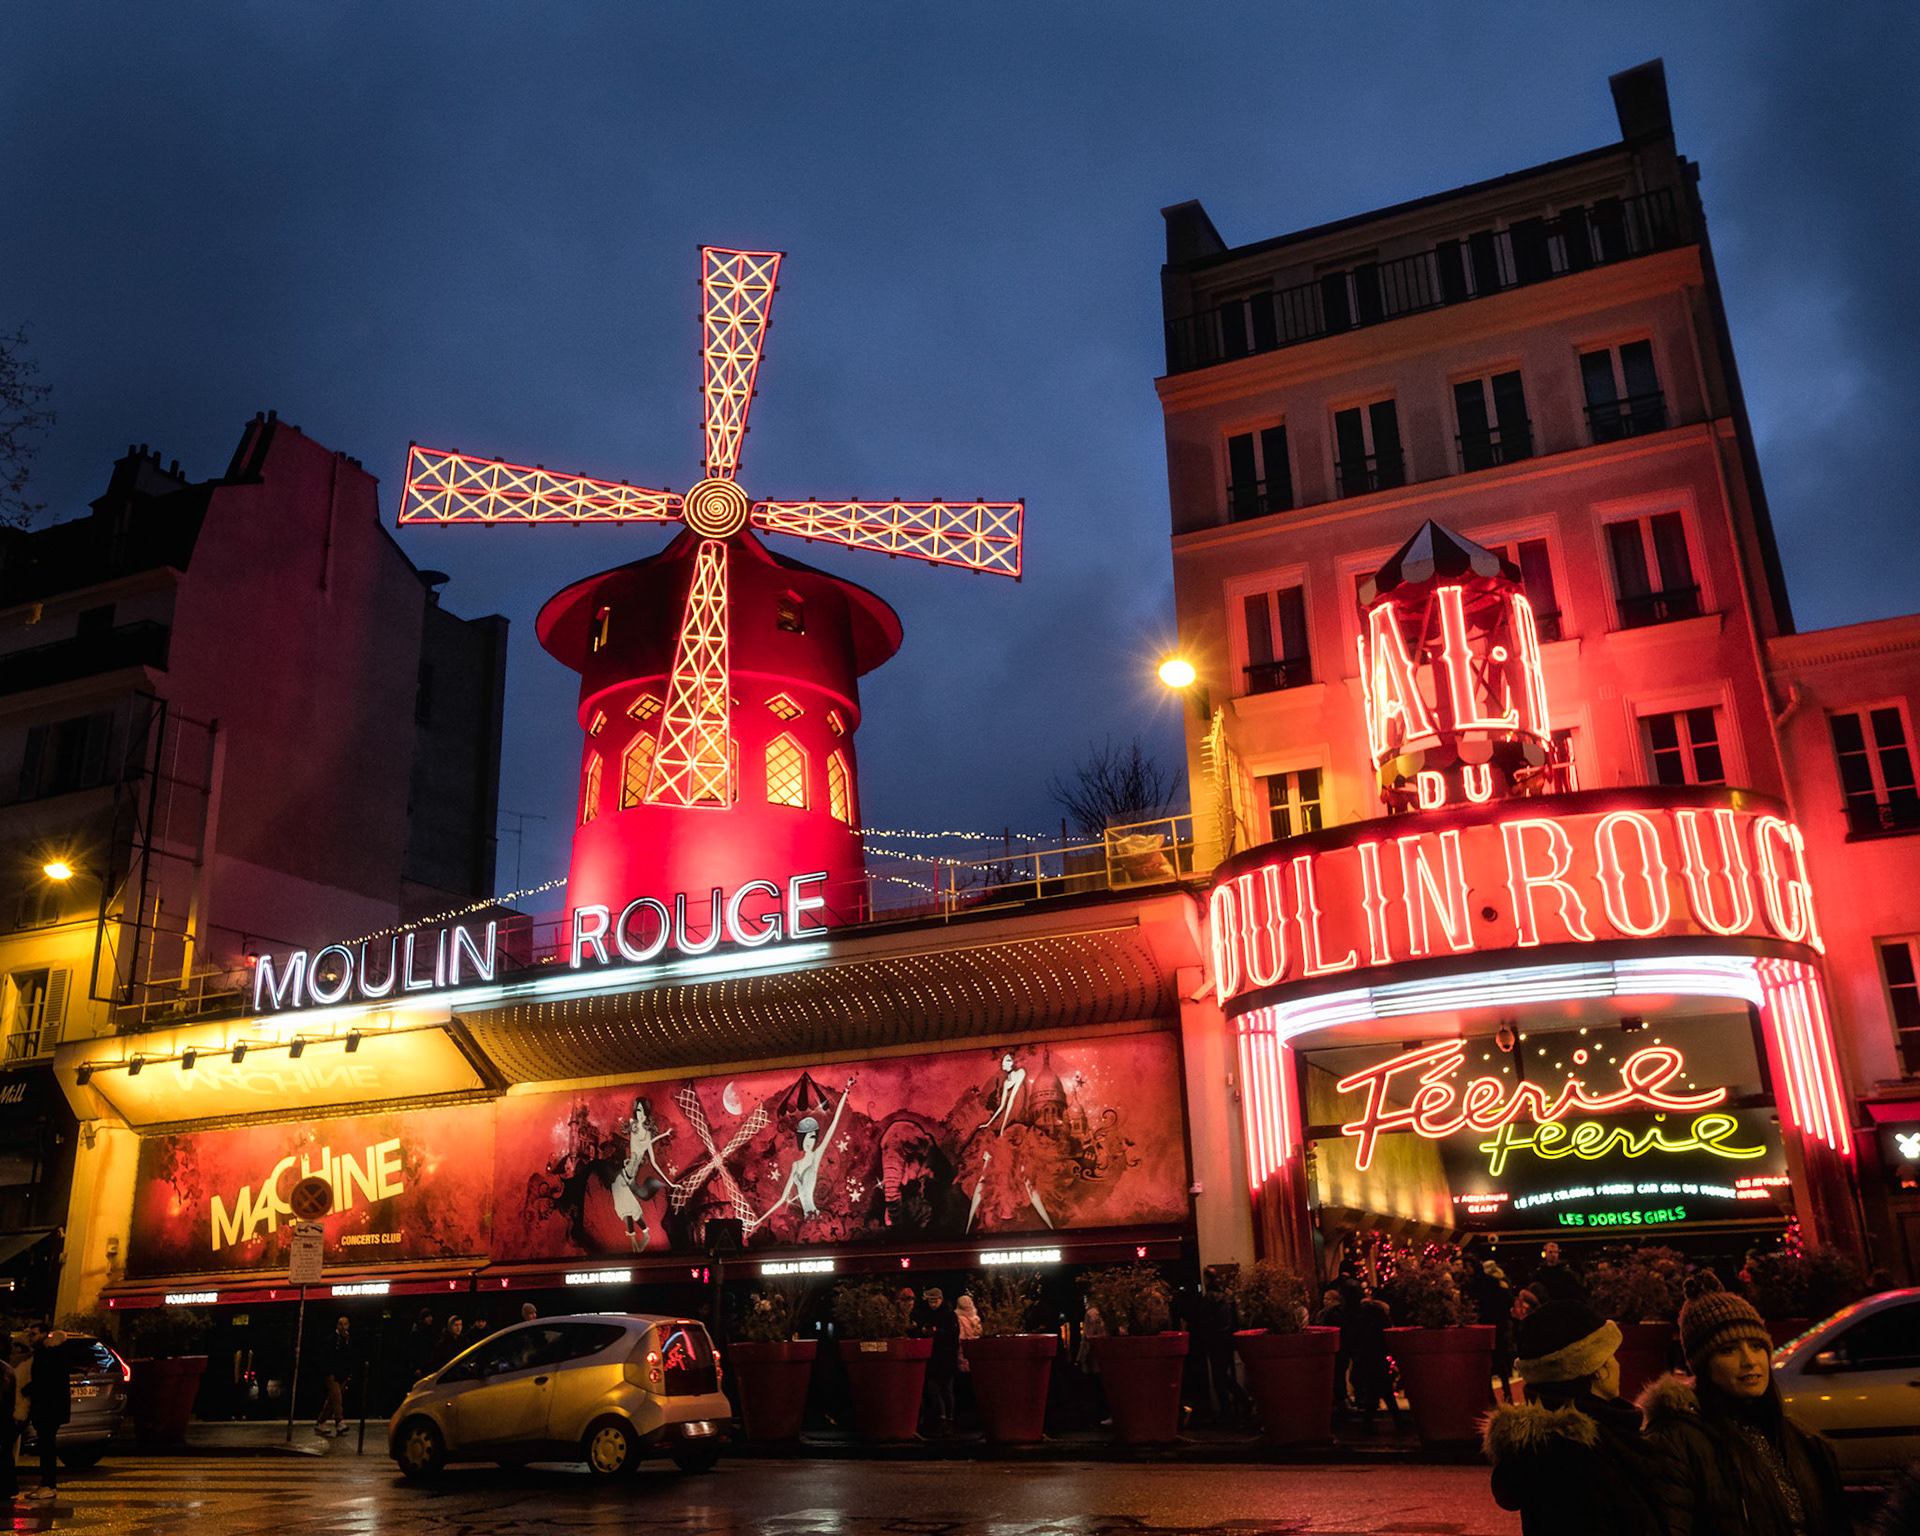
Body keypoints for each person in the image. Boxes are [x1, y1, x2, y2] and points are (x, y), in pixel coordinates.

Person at [1639, 1273, 1852, 1536]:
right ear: (1703, 1365)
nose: (1749, 1360)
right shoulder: (1675, 1443)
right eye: (1728, 1350)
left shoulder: (1802, 1440)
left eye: (1755, 1346)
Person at [1483, 1299, 1669, 1536]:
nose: (1617, 1363)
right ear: (1598, 1370)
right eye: (1611, 1356)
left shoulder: (1554, 1449)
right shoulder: (1577, 1457)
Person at [21, 1323, 69, 1502]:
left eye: (33, 1334)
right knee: (46, 1444)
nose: (31, 1338)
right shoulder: (51, 1352)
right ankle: (47, 1484)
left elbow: (46, 1381)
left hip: (48, 1407)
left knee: (47, 1445)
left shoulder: (49, 1354)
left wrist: (29, 1388)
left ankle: (48, 1484)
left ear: (43, 1334)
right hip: (49, 1407)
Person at [1345, 1286, 1402, 1431]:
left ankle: (1372, 1422)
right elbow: (1384, 1339)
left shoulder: (1361, 1316)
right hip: (1377, 1358)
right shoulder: (1380, 1317)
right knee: (1381, 1389)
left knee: (1377, 1390)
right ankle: (1392, 1420)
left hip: (1366, 1358)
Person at [1465, 1258, 1517, 1403]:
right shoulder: (1495, 1283)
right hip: (1497, 1325)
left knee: (1488, 1362)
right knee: (1499, 1361)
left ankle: (1492, 1396)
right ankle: (1507, 1393)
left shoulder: (1473, 1285)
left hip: (1485, 1325)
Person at [919, 1287, 960, 1436]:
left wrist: (936, 1332)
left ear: (940, 1299)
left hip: (944, 1357)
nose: (932, 1303)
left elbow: (952, 1335)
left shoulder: (948, 1315)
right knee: (936, 1388)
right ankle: (945, 1417)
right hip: (939, 1357)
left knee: (944, 1388)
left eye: (934, 1300)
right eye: (930, 1300)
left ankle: (946, 1417)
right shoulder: (945, 1314)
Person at [1316, 1285, 1351, 1413]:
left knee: (1338, 1376)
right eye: (1324, 1299)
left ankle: (1341, 1401)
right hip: (1341, 1350)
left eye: (1328, 1299)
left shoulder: (1333, 1314)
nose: (1325, 1302)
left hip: (1337, 1350)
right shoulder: (1338, 1313)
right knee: (1339, 1376)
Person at [316, 1317, 352, 1437]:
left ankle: (321, 1421)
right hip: (332, 1374)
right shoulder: (331, 1340)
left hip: (342, 1374)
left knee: (332, 1399)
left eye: (345, 1324)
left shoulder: (347, 1339)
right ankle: (339, 1422)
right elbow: (326, 1357)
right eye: (341, 1324)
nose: (343, 1327)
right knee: (337, 1398)